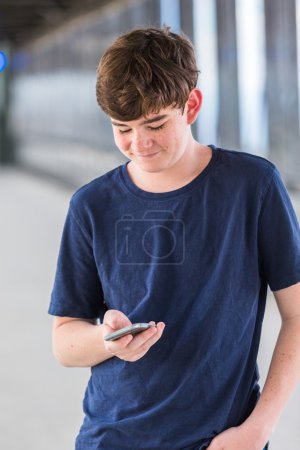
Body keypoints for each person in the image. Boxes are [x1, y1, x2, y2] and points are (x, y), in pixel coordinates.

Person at [48, 27, 300, 450]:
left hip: (221, 440)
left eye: (155, 124)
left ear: (192, 106)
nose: (139, 144)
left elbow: (296, 315)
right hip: (110, 438)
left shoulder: (252, 186)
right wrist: (107, 341)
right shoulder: (91, 205)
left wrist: (256, 431)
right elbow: (64, 342)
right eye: (122, 128)